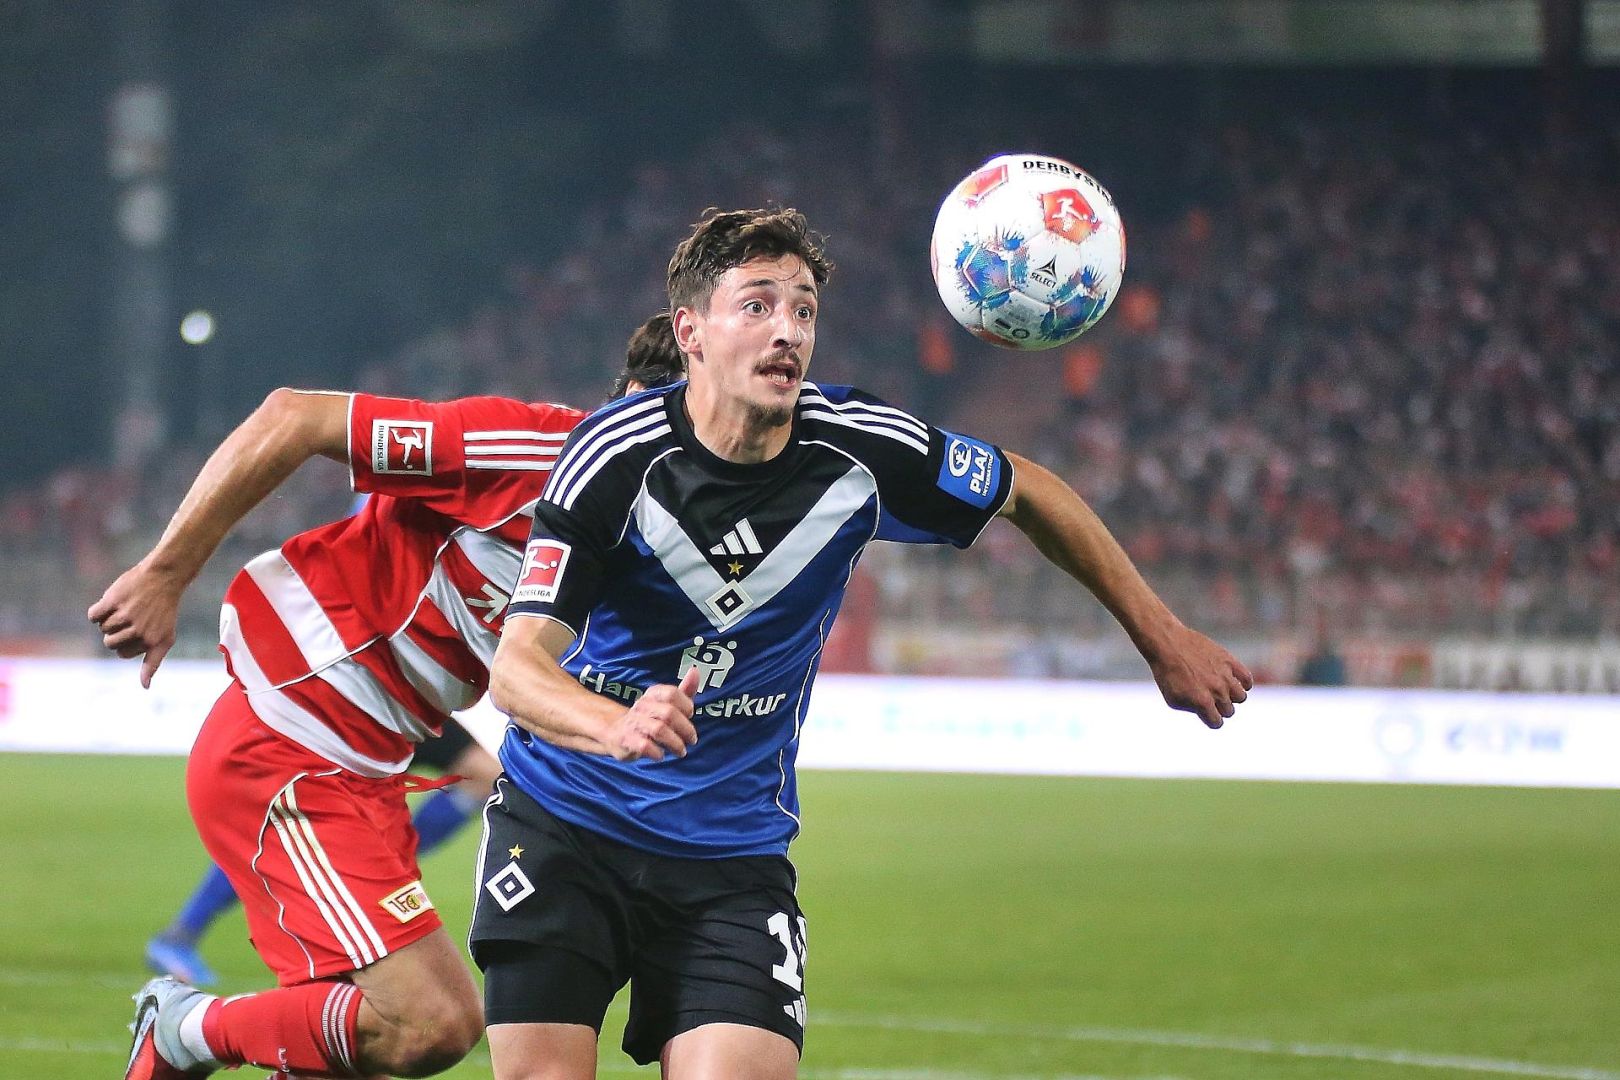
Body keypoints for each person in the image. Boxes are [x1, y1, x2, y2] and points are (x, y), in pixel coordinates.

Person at [475, 208, 1253, 1080]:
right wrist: (610, 723)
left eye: (804, 310)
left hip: (731, 856)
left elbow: (1026, 489)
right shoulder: (613, 458)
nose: (788, 332)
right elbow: (518, 669)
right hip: (568, 826)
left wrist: (1164, 637)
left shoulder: (861, 449)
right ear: (690, 332)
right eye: (759, 305)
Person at [95, 314, 685, 1080]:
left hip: (371, 767)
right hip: (289, 741)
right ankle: (185, 1028)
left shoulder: (642, 536)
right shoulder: (531, 452)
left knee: (359, 1048)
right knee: (431, 1022)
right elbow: (294, 416)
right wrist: (167, 573)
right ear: (636, 401)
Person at [144, 715, 500, 987]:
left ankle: (379, 861)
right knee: (282, 835)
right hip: (352, 702)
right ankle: (180, 936)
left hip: (406, 699)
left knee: (484, 775)